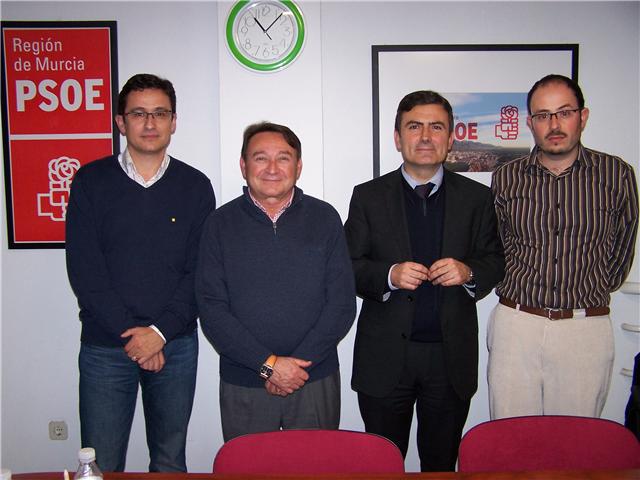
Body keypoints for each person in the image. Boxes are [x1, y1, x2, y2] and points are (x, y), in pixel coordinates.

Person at [344, 90, 504, 472]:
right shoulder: (368, 197)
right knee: (382, 464)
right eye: (414, 126)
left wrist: (468, 273)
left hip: (449, 362)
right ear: (398, 138)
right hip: (385, 360)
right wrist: (389, 275)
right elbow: (347, 265)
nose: (426, 136)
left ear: (451, 138)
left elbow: (495, 260)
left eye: (437, 127)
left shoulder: (477, 198)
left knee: (440, 464)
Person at [66, 73, 215, 472]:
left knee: (169, 461)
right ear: (120, 121)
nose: (150, 124)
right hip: (106, 346)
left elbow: (199, 272)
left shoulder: (196, 186)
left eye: (159, 113)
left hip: (176, 344)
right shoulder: (90, 181)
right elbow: (85, 271)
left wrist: (160, 334)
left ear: (174, 122)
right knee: (102, 463)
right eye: (138, 113)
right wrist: (136, 337)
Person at [489, 74, 639, 419]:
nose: (554, 124)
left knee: (575, 445)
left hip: (585, 329)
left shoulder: (617, 175)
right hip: (517, 324)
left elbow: (622, 248)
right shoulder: (507, 177)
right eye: (542, 116)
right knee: (513, 438)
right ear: (530, 124)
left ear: (582, 117)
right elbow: (499, 245)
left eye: (564, 112)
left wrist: (589, 289)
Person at [196, 122, 355, 441]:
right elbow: (212, 309)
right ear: (243, 166)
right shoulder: (219, 224)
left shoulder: (325, 219)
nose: (272, 168)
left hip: (312, 378)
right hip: (245, 380)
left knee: (317, 471)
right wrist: (267, 365)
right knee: (249, 471)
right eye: (260, 158)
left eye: (283, 158)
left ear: (298, 166)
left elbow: (341, 304)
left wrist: (295, 368)